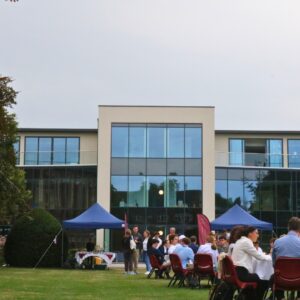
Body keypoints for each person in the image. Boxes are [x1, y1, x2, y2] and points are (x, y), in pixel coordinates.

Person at [231, 226, 271, 300]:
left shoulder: (240, 241)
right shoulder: (246, 241)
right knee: (264, 280)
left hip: (237, 272)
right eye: (256, 233)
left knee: (259, 278)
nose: (258, 235)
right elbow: (259, 256)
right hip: (241, 273)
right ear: (250, 234)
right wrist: (270, 256)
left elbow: (254, 256)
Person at [271, 217, 300, 300]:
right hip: (299, 281)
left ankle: (281, 297)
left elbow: (274, 264)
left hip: (281, 280)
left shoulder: (277, 242)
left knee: (273, 277)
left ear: (288, 227)